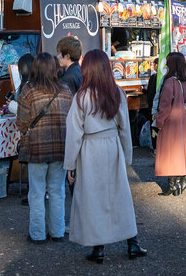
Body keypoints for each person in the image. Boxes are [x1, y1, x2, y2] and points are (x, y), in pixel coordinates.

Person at [64, 49, 146, 263]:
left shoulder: (81, 97)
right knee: (120, 195)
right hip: (112, 146)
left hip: (90, 148)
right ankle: (133, 243)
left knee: (92, 198)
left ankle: (98, 247)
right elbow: (125, 128)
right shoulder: (116, 92)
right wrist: (127, 157)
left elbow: (74, 133)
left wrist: (70, 164)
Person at [16, 53, 73, 243]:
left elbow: (22, 122)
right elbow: (72, 120)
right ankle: (57, 233)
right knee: (58, 191)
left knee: (37, 193)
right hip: (61, 148)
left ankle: (37, 234)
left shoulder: (28, 90)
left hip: (36, 148)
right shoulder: (65, 90)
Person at [153, 53, 186, 196]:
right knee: (178, 152)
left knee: (168, 153)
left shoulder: (170, 82)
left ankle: (171, 186)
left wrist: (159, 121)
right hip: (181, 120)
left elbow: (165, 104)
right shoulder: (185, 81)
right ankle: (180, 184)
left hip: (170, 121)